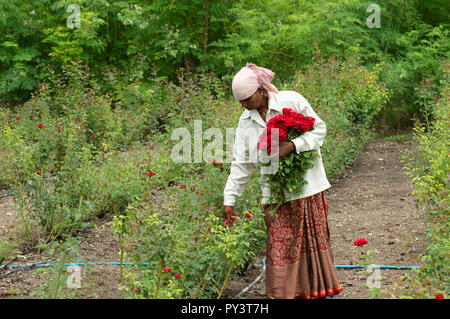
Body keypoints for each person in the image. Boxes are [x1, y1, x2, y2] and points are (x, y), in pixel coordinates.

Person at [223, 63, 343, 299]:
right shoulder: (245, 122)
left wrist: (293, 145)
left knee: (312, 244)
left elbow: (319, 130)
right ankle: (282, 295)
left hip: (307, 188)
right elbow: (242, 162)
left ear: (260, 90)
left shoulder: (292, 101)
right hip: (276, 194)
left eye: (247, 99)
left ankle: (317, 293)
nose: (244, 105)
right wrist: (230, 198)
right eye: (240, 102)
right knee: (280, 248)